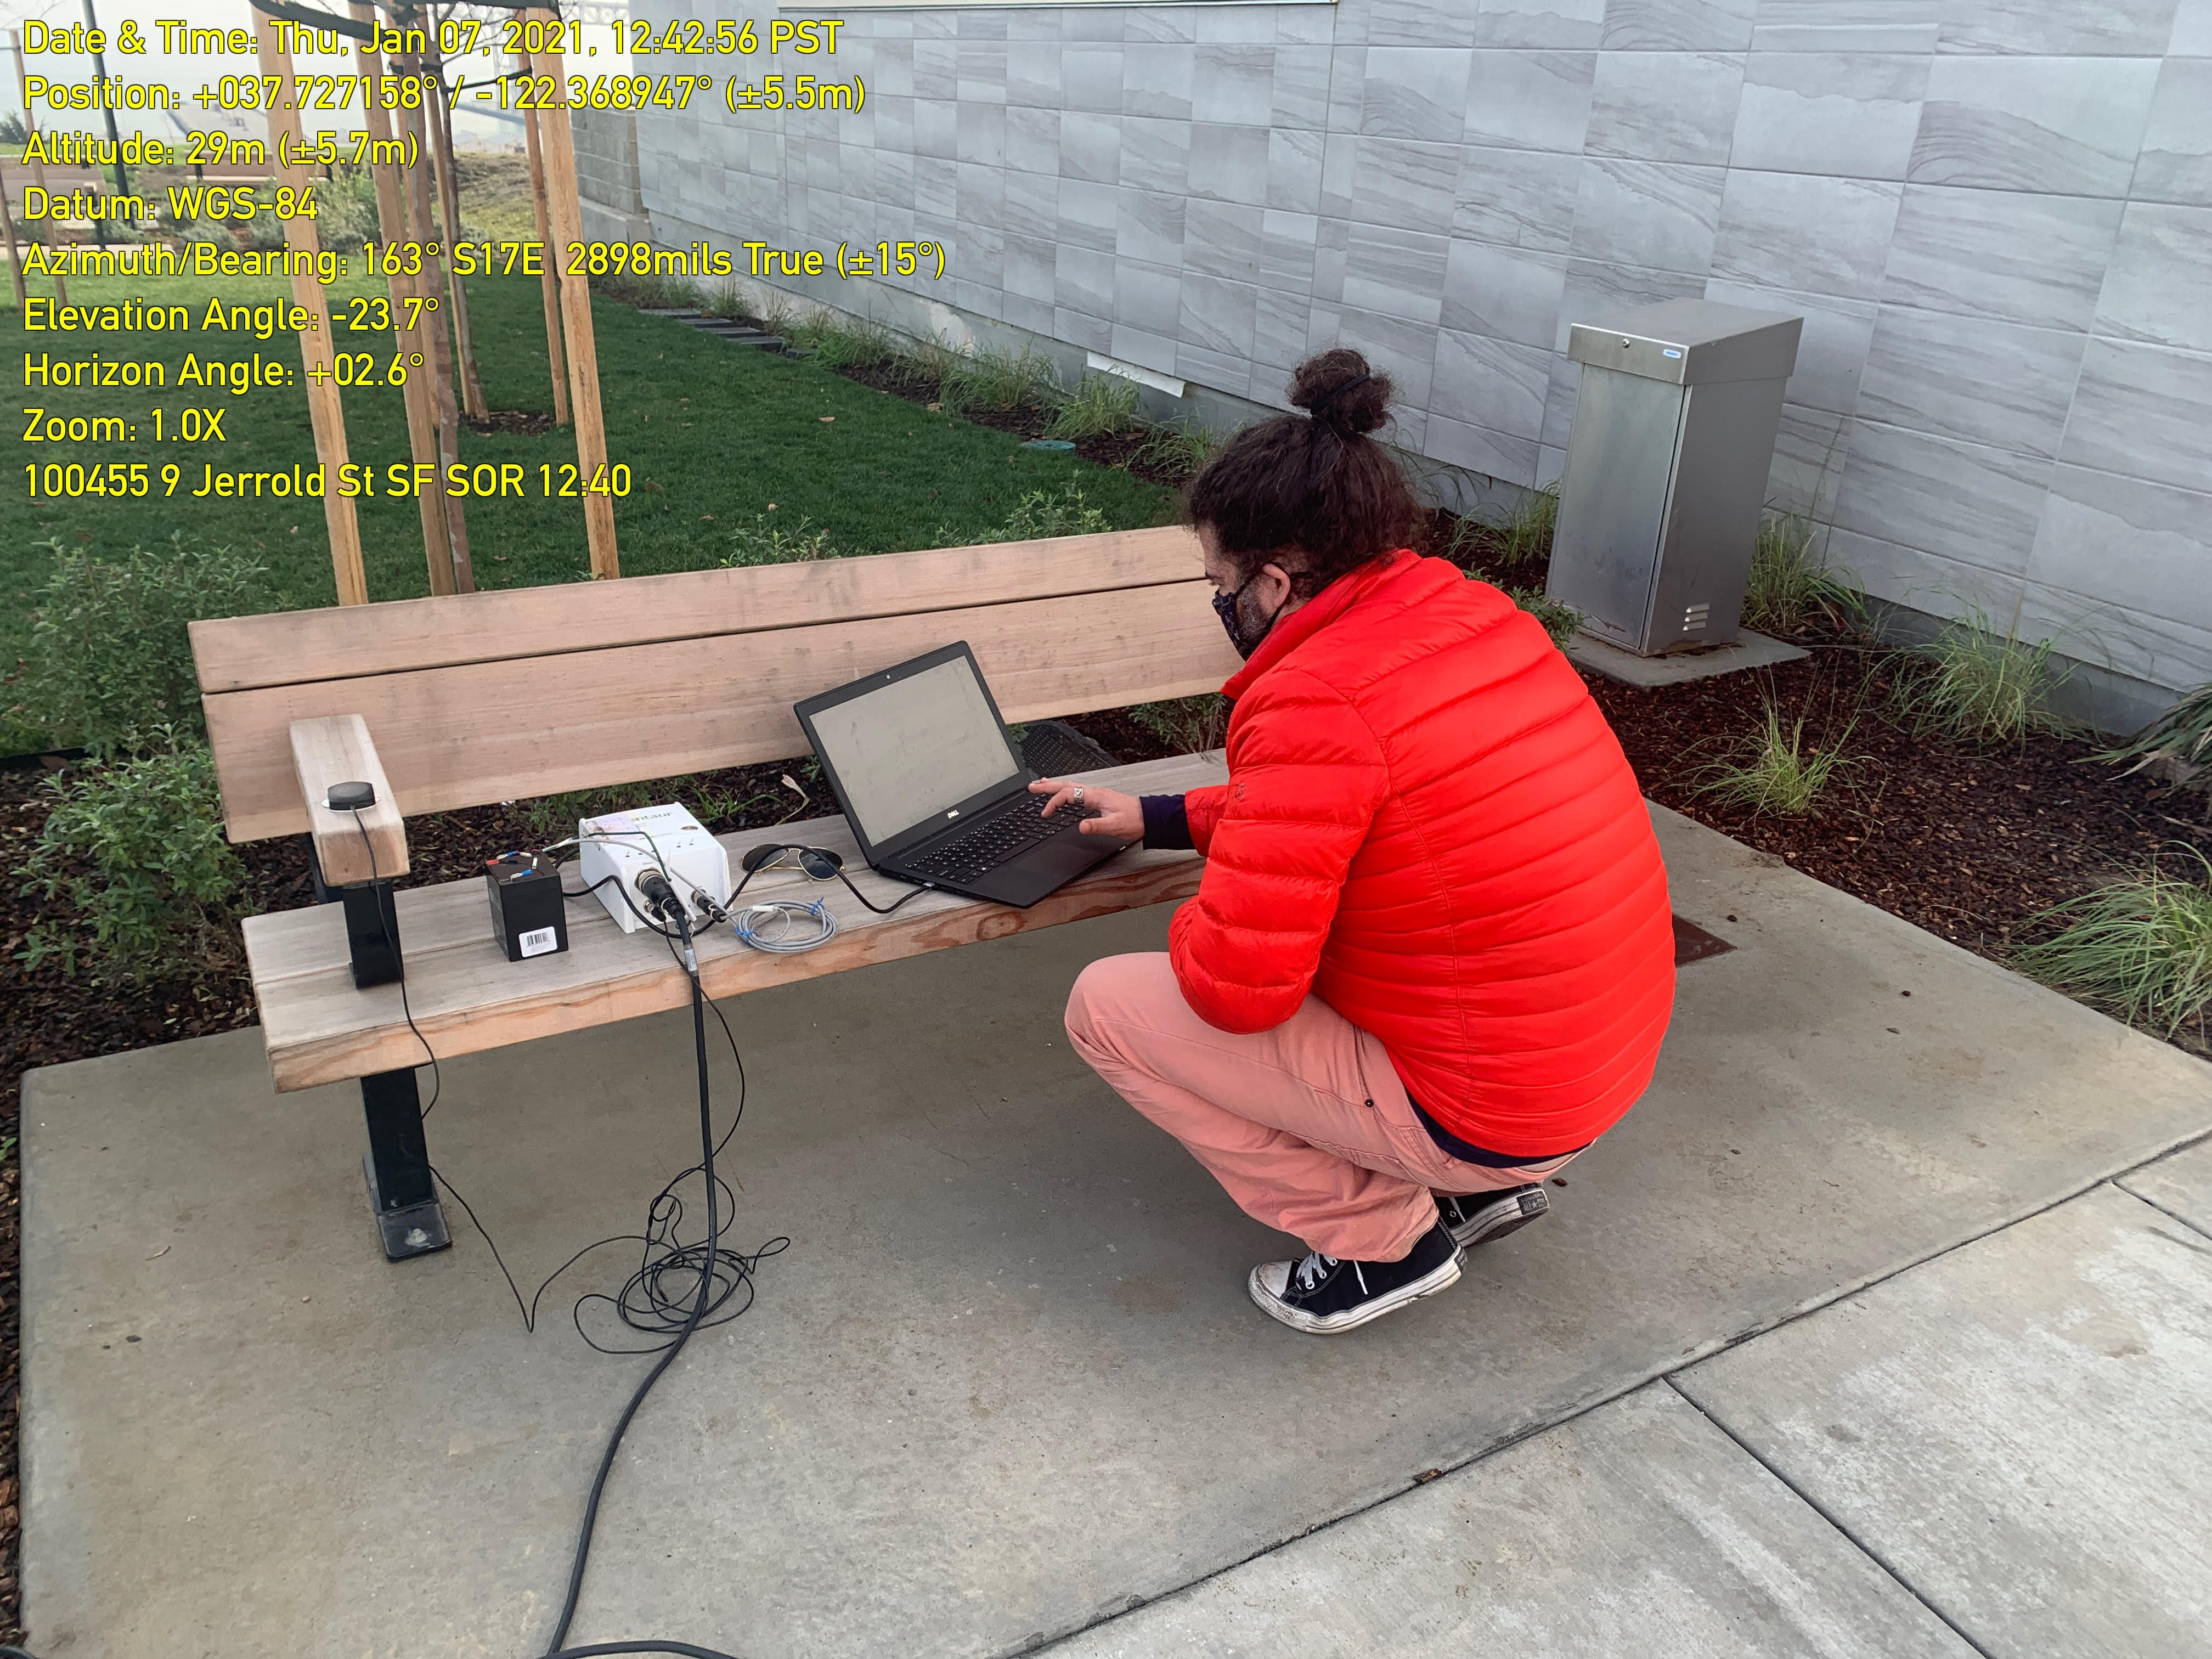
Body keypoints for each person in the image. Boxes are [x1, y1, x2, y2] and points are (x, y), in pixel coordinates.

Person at [1031, 348, 1676, 1336]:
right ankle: (1464, 1194)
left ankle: (1384, 1239)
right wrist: (1163, 818)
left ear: (1276, 583)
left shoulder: (1313, 698)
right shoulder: (1469, 616)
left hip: (1490, 1108)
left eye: (1221, 582)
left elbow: (1237, 990)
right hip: (1589, 1069)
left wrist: (1219, 904)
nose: (1221, 604)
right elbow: (1380, 816)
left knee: (1110, 1005)